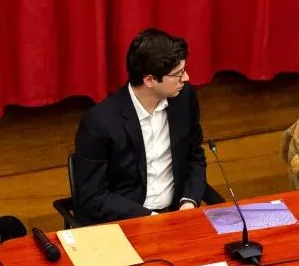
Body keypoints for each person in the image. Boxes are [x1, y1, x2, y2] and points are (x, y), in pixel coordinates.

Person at [72, 28, 212, 224]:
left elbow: (195, 157)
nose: (186, 78)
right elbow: (93, 197)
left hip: (176, 216)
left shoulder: (184, 99)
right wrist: (151, 219)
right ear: (150, 80)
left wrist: (188, 202)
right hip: (127, 221)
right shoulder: (100, 122)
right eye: (178, 74)